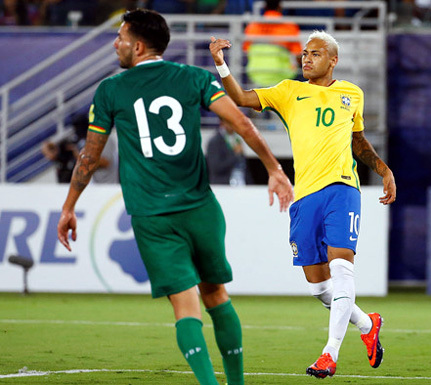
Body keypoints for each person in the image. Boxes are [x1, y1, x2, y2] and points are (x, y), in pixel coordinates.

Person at [56, 9, 293, 385]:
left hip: (153, 216)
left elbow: (88, 157)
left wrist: (69, 206)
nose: (115, 43)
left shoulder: (111, 90)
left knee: (186, 306)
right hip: (201, 208)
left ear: (137, 45)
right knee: (216, 294)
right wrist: (275, 169)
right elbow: (241, 122)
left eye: (120, 37)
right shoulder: (194, 77)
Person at [209, 30, 397, 378]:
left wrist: (384, 171)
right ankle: (367, 323)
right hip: (305, 196)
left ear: (333, 60)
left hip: (342, 190)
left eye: (314, 53)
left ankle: (329, 353)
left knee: (342, 270)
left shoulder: (351, 94)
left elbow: (358, 142)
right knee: (320, 288)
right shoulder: (288, 91)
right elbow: (240, 97)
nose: (306, 59)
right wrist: (221, 64)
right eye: (304, 53)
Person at [242, 0, 302, 87]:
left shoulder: (253, 26)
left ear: (265, 7)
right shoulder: (289, 26)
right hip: (281, 75)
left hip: (255, 74)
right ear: (280, 7)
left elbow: (246, 50)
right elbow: (298, 55)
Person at [206, 120, 247, 185]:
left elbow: (243, 164)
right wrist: (235, 154)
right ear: (222, 123)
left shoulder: (236, 140)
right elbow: (215, 167)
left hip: (239, 182)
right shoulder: (214, 142)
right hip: (221, 185)